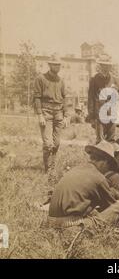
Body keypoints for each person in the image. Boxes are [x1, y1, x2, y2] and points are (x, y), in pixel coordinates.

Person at [47, 141, 119, 229]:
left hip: (52, 222)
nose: (107, 169)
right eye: (109, 165)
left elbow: (100, 190)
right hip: (72, 225)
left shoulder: (78, 169)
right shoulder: (98, 177)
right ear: (103, 162)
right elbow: (112, 206)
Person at [33, 55, 69, 202]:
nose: (57, 67)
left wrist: (66, 115)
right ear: (50, 65)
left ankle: (51, 168)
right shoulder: (40, 78)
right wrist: (39, 115)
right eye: (55, 65)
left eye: (59, 65)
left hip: (58, 112)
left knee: (57, 143)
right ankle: (48, 169)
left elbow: (65, 97)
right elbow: (36, 97)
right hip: (46, 112)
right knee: (48, 143)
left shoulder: (61, 81)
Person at [87, 58, 119, 143]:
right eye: (103, 65)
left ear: (110, 67)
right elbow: (91, 98)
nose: (105, 68)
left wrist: (115, 92)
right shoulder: (94, 79)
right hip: (99, 114)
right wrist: (91, 117)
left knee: (111, 140)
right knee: (100, 141)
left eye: (107, 65)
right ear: (100, 66)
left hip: (112, 113)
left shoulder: (115, 79)